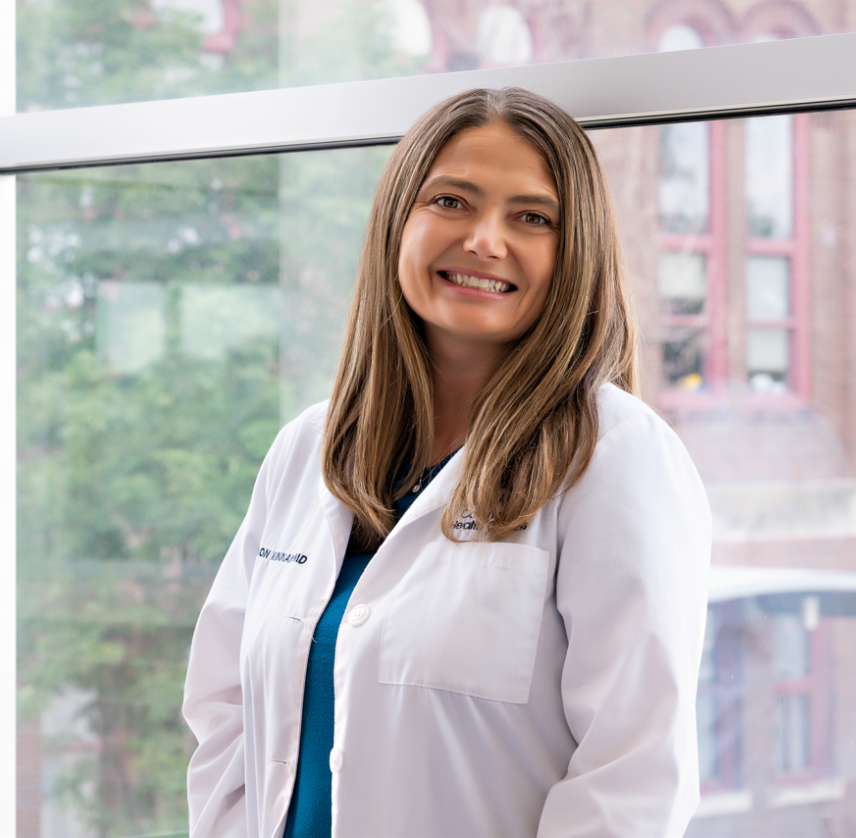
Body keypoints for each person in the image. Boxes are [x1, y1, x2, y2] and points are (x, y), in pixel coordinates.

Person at [182, 87, 711, 838]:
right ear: (400, 219)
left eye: (532, 217)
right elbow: (224, 705)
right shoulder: (308, 447)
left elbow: (633, 776)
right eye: (452, 201)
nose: (485, 240)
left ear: (575, 251)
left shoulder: (616, 457)